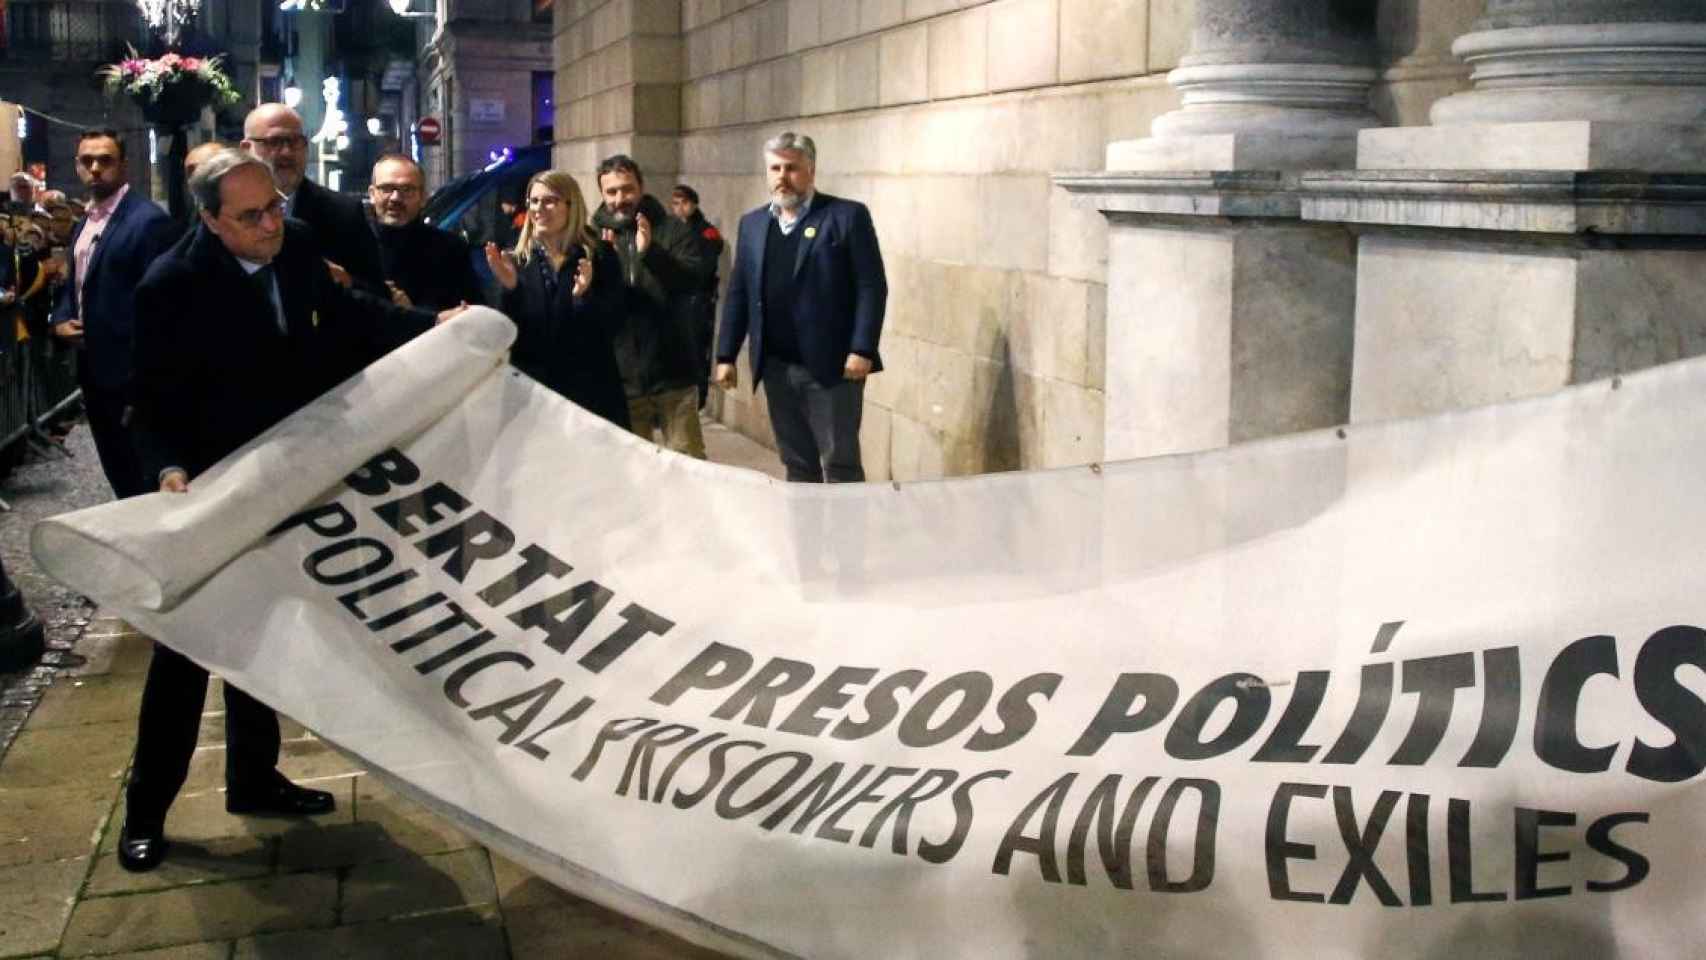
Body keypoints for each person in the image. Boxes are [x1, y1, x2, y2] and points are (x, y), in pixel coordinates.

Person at [117, 150, 459, 874]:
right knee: (183, 655)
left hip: (288, 480)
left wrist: (438, 327)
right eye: (252, 216)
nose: (273, 223)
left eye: (275, 206)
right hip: (213, 490)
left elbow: (346, 317)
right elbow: (148, 403)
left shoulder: (297, 242)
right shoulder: (170, 286)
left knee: (264, 635)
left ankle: (255, 777)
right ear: (210, 220)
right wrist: (170, 470)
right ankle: (146, 810)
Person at [715, 132, 887, 483]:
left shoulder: (846, 216)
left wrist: (862, 348)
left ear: (811, 170)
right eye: (775, 168)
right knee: (796, 462)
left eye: (791, 168)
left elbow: (872, 286)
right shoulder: (753, 224)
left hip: (833, 367)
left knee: (840, 463)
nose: (782, 176)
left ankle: (844, 538)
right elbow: (739, 293)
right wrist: (725, 354)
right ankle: (805, 537)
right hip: (777, 366)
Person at [48, 129, 179, 499]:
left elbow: (160, 304)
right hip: (93, 368)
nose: (95, 169)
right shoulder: (85, 221)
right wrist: (60, 320)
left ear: (123, 165)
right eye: (87, 161)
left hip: (131, 374)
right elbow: (75, 282)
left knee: (143, 476)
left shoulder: (147, 221)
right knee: (118, 471)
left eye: (105, 160)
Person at [483, 170, 629, 431]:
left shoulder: (599, 256)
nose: (539, 209)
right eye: (534, 201)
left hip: (588, 395)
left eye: (550, 201)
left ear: (570, 206)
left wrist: (583, 298)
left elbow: (615, 324)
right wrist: (511, 289)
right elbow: (506, 333)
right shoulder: (515, 259)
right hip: (533, 398)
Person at [591, 155, 713, 457]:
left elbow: (692, 281)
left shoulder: (673, 230)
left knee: (689, 467)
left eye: (627, 189)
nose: (621, 199)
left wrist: (651, 253)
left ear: (641, 187)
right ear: (602, 194)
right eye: (612, 192)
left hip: (673, 373)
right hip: (623, 380)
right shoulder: (592, 239)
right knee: (634, 475)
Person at [241, 103, 385, 293]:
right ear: (246, 148)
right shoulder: (222, 208)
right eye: (274, 142)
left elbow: (378, 294)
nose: (287, 152)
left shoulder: (343, 213)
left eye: (295, 142)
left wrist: (344, 281)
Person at [368, 154, 482, 311]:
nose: (395, 198)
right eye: (386, 189)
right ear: (372, 194)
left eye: (407, 189)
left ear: (423, 197)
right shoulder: (350, 247)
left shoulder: (450, 250)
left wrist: (414, 314)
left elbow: (471, 315)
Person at [669, 184, 724, 408]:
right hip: (676, 298)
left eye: (682, 203)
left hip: (697, 298)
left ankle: (699, 399)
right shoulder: (672, 230)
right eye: (674, 203)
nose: (678, 208)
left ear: (693, 204)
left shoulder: (706, 232)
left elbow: (704, 267)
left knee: (696, 349)